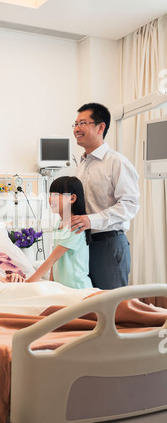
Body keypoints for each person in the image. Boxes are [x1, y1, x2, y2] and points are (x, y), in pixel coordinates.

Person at [71, 102, 140, 290]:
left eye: (82, 123)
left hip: (108, 244)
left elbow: (130, 204)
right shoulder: (81, 164)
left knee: (114, 307)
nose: (77, 129)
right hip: (84, 244)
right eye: (75, 124)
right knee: (90, 306)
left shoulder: (117, 162)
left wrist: (90, 220)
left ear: (101, 127)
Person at [27, 176, 92, 289]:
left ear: (72, 198)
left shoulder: (75, 226)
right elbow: (55, 263)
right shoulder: (59, 224)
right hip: (63, 289)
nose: (51, 199)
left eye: (57, 195)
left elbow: (52, 259)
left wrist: (28, 283)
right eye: (50, 194)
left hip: (78, 288)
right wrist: (52, 284)